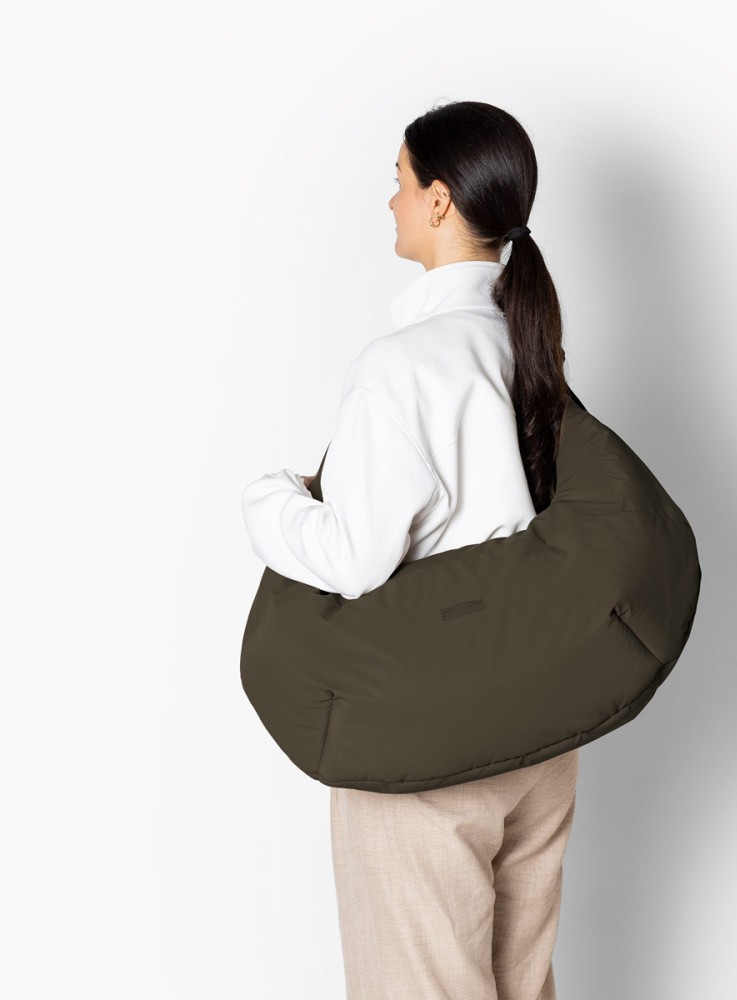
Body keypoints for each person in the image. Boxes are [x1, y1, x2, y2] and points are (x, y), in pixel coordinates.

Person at [241, 100, 579, 1000]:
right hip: (544, 732)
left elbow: (355, 559)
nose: (389, 199)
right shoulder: (531, 348)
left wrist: (269, 503)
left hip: (427, 741)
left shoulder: (403, 366)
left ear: (438, 201)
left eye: (398, 180)